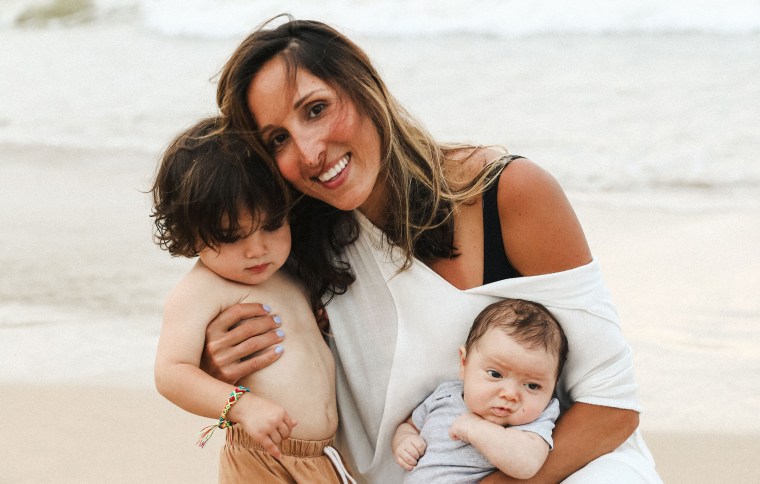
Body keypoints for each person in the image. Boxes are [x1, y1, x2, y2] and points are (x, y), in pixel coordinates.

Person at [202, 16, 662, 483]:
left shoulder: (505, 194)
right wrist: (221, 368)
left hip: (563, 470)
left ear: (366, 87)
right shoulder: (288, 249)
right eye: (278, 139)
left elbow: (612, 407)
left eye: (316, 109)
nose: (309, 150)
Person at [151, 117, 355, 484]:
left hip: (322, 458)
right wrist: (241, 406)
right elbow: (171, 373)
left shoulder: (287, 273)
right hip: (263, 457)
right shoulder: (202, 288)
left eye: (272, 225)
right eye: (231, 236)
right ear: (189, 233)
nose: (257, 249)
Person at [392, 298, 566, 482]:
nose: (509, 394)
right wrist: (404, 441)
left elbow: (527, 465)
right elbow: (410, 425)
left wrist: (476, 429)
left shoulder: (535, 420)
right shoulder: (445, 395)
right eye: (495, 374)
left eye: (532, 386)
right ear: (464, 363)